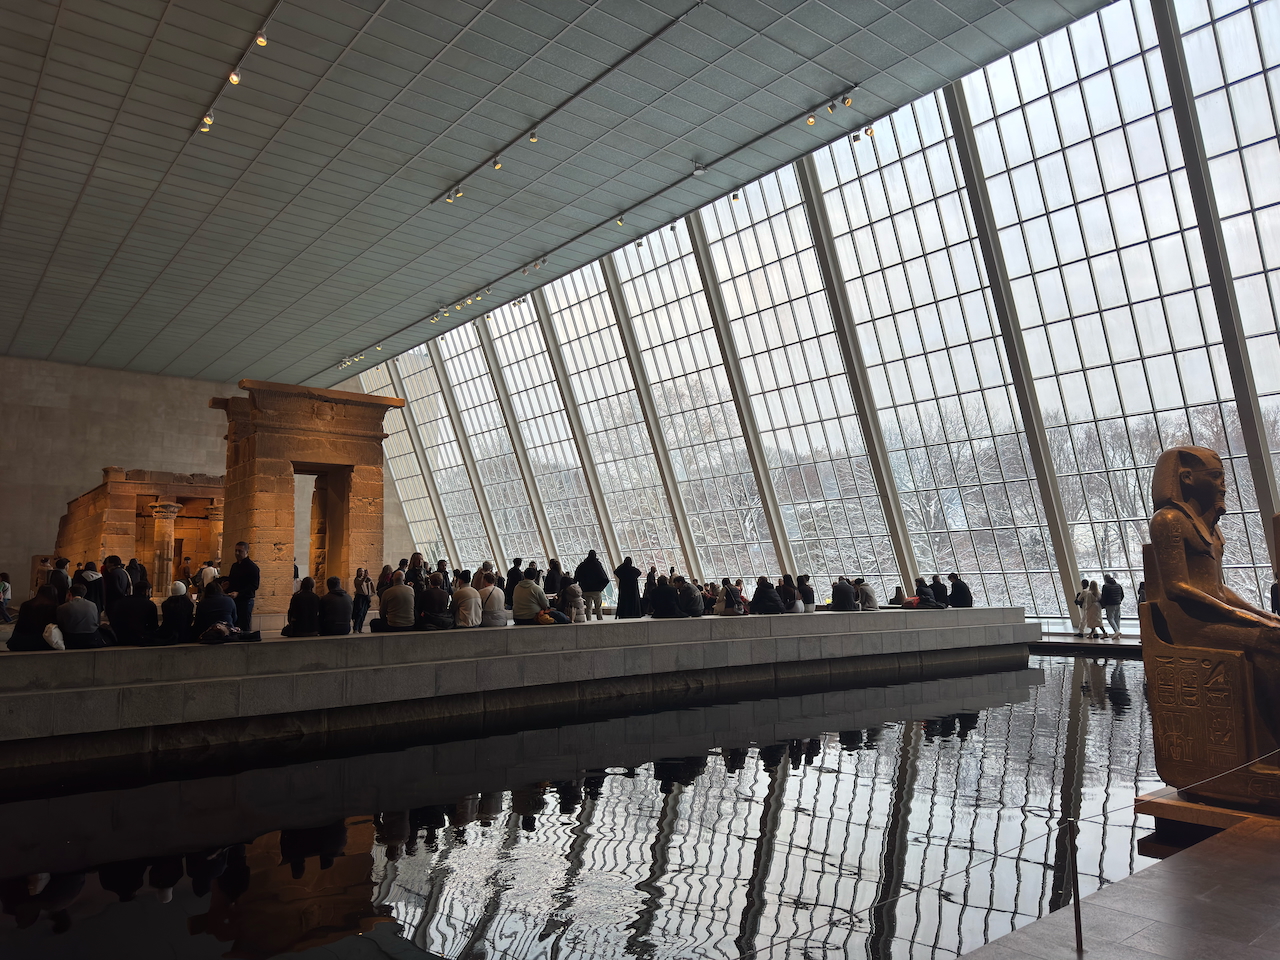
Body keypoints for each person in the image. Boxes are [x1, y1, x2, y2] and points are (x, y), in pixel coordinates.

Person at [7, 584, 59, 650]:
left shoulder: (26, 605)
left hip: (22, 640)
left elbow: (20, 624)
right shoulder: (54, 608)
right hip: (43, 642)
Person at [57, 584, 106, 648]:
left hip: (72, 639)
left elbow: (60, 624)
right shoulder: (93, 605)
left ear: (69, 594)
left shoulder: (62, 607)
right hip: (92, 637)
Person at [226, 542, 260, 632]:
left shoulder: (252, 567)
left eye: (240, 551)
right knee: (234, 625)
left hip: (245, 600)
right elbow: (232, 580)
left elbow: (254, 585)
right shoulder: (235, 566)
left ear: (246, 551)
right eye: (236, 551)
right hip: (234, 599)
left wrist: (239, 593)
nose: (237, 553)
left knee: (244, 625)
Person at [574, 550, 610, 621]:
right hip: (596, 590)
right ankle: (600, 620)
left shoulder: (582, 565)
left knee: (588, 608)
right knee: (598, 608)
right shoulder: (597, 565)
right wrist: (600, 588)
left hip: (586, 590)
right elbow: (605, 579)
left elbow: (576, 577)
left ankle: (589, 621)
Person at [352, 568, 374, 633]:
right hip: (359, 598)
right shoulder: (357, 579)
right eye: (360, 571)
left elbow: (370, 583)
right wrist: (365, 577)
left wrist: (367, 577)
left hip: (365, 598)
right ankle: (355, 628)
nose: (361, 573)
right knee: (359, 614)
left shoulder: (365, 580)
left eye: (363, 571)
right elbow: (360, 583)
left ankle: (360, 628)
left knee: (363, 614)